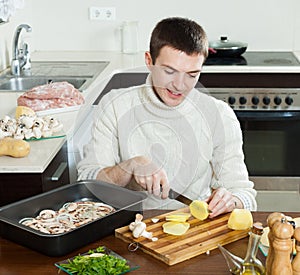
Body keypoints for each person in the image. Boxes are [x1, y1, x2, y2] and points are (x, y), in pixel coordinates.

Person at [77, 17, 257, 217]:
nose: (179, 85)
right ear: (149, 61)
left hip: (193, 230)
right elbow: (87, 183)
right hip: (128, 225)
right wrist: (129, 167)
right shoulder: (115, 106)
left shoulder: (220, 115)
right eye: (170, 71)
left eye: (192, 74)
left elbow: (246, 195)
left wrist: (232, 200)